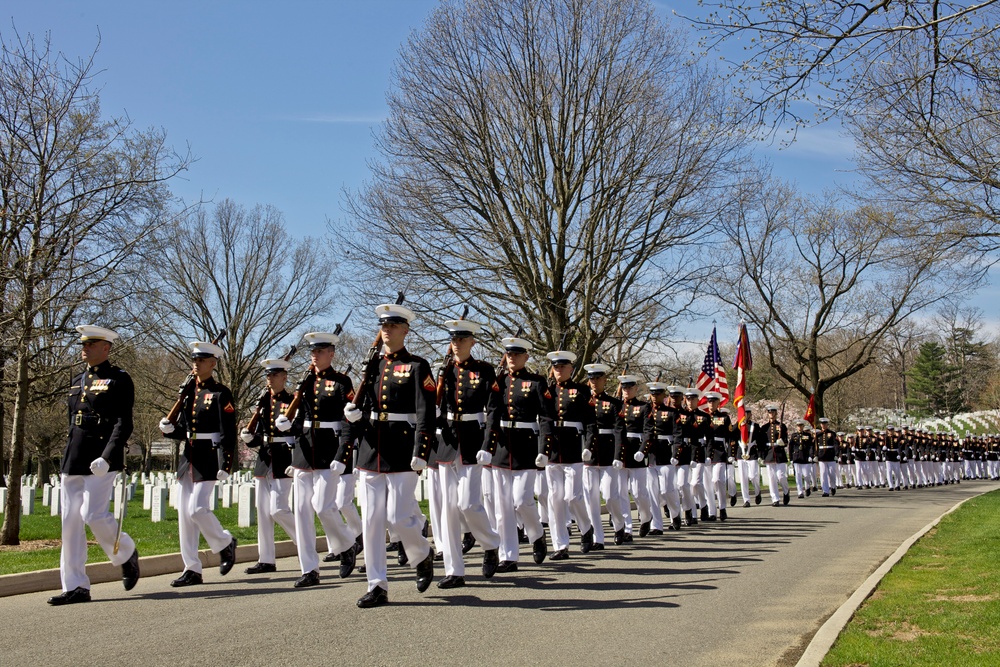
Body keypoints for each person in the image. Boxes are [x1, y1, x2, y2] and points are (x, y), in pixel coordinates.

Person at [340, 304, 436, 608]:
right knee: (371, 522)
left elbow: (425, 414)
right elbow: (364, 405)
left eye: (393, 325)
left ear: (405, 330)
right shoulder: (372, 366)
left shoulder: (418, 366)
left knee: (398, 517)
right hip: (371, 451)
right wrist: (354, 415)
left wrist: (421, 451)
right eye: (383, 325)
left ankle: (422, 554)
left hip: (401, 451)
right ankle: (377, 585)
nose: (387, 330)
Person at [48, 325, 140, 605]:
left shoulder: (119, 379)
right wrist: (67, 454)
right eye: (84, 344)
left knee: (93, 514)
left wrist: (109, 455)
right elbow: (72, 420)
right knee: (70, 521)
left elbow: (124, 422)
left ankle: (125, 552)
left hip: (101, 457)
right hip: (75, 455)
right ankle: (75, 586)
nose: (85, 348)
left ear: (106, 348)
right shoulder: (77, 380)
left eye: (92, 344)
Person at [274, 332, 358, 587]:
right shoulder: (305, 382)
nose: (314, 354)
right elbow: (303, 418)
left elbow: (348, 421)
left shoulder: (342, 382)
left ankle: (347, 544)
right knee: (301, 513)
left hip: (328, 451)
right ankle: (309, 569)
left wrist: (343, 453)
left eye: (319, 351)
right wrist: (288, 425)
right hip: (304, 451)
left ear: (331, 354)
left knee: (323, 506)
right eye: (312, 351)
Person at [158, 340, 238, 587]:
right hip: (189, 456)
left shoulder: (220, 393)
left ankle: (225, 543)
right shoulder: (189, 393)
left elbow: (228, 432)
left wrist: (226, 463)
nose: (196, 364)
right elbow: (185, 429)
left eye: (201, 360)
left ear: (213, 364)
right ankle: (192, 568)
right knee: (185, 516)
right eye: (194, 360)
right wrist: (170, 430)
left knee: (197, 509)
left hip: (209, 457)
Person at [434, 318, 501, 588]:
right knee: (448, 511)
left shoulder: (484, 370)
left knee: (468, 504)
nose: (457, 343)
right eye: (453, 339)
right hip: (448, 442)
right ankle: (454, 570)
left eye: (462, 339)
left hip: (473, 440)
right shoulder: (443, 370)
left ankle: (490, 543)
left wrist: (488, 445)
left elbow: (494, 410)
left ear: (472, 341)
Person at [482, 335, 551, 570]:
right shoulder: (498, 381)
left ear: (526, 356)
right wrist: (487, 447)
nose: (512, 358)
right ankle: (508, 556)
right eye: (509, 354)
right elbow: (492, 414)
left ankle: (537, 534)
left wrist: (544, 449)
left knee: (522, 501)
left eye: (516, 354)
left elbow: (545, 418)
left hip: (526, 447)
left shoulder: (537, 381)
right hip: (502, 448)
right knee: (502, 508)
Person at [241, 358, 298, 574]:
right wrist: (249, 438)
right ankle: (266, 559)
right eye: (268, 375)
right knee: (264, 513)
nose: (270, 379)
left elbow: (297, 432)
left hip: (283, 459)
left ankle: (303, 543)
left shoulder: (292, 401)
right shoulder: (263, 403)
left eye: (274, 375)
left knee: (278, 509)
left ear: (284, 377)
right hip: (264, 461)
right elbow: (260, 437)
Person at [539, 349, 596, 559]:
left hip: (573, 448)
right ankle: (560, 545)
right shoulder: (547, 391)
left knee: (573, 497)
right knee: (555, 499)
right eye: (555, 367)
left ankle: (585, 527)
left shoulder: (581, 390)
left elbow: (591, 422)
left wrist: (588, 445)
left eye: (562, 366)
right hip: (553, 449)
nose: (558, 370)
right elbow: (544, 420)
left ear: (571, 368)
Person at [581, 362, 625, 550]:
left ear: (605, 380)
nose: (594, 382)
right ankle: (598, 537)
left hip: (608, 455)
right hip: (589, 455)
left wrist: (618, 455)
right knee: (591, 498)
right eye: (591, 378)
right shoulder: (583, 401)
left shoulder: (614, 403)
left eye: (597, 378)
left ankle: (619, 524)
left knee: (609, 496)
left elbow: (619, 431)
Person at [617, 375, 655, 539]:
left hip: (636, 452)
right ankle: (628, 528)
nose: (626, 391)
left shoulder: (644, 407)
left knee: (638, 493)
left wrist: (643, 450)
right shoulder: (617, 405)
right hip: (620, 452)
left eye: (629, 388)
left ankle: (646, 517)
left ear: (635, 389)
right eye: (623, 388)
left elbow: (648, 432)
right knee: (621, 493)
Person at [703, 392, 733, 520]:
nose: (711, 404)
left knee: (717, 480)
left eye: (713, 401)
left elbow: (730, 438)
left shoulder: (724, 418)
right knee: (707, 484)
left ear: (718, 403)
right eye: (709, 401)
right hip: (705, 452)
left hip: (719, 452)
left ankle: (722, 507)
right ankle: (712, 511)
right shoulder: (703, 417)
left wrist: (731, 454)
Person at [759, 406, 789, 506]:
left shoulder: (782, 426)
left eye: (773, 412)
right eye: (769, 412)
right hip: (769, 454)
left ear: (776, 413)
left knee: (781, 477)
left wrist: (782, 443)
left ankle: (786, 491)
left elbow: (786, 441)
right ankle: (775, 498)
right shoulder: (764, 428)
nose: (771, 414)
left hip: (779, 453)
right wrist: (762, 456)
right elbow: (761, 443)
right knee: (771, 478)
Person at [736, 409, 763, 507]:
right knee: (743, 478)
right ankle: (746, 500)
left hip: (751, 453)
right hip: (741, 453)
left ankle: (757, 491)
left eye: (747, 413)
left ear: (750, 415)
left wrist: (760, 455)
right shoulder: (738, 426)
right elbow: (732, 438)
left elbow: (760, 441)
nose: (745, 415)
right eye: (744, 413)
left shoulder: (755, 426)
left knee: (753, 475)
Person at [788, 420, 814, 499]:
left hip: (805, 457)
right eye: (798, 426)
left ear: (803, 426)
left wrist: (810, 455)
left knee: (806, 475)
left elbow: (810, 446)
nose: (799, 427)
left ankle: (807, 487)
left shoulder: (808, 435)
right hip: (797, 457)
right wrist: (791, 458)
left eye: (801, 425)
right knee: (798, 476)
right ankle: (800, 492)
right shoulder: (794, 435)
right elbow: (791, 447)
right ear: (796, 427)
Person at [814, 418, 839, 496]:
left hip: (830, 455)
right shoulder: (818, 435)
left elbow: (836, 445)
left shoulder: (832, 433)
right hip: (822, 456)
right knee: (823, 473)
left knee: (832, 473)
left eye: (825, 424)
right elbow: (815, 446)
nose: (823, 425)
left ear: (827, 425)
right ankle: (825, 490)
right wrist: (816, 455)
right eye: (822, 424)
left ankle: (833, 486)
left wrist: (836, 454)